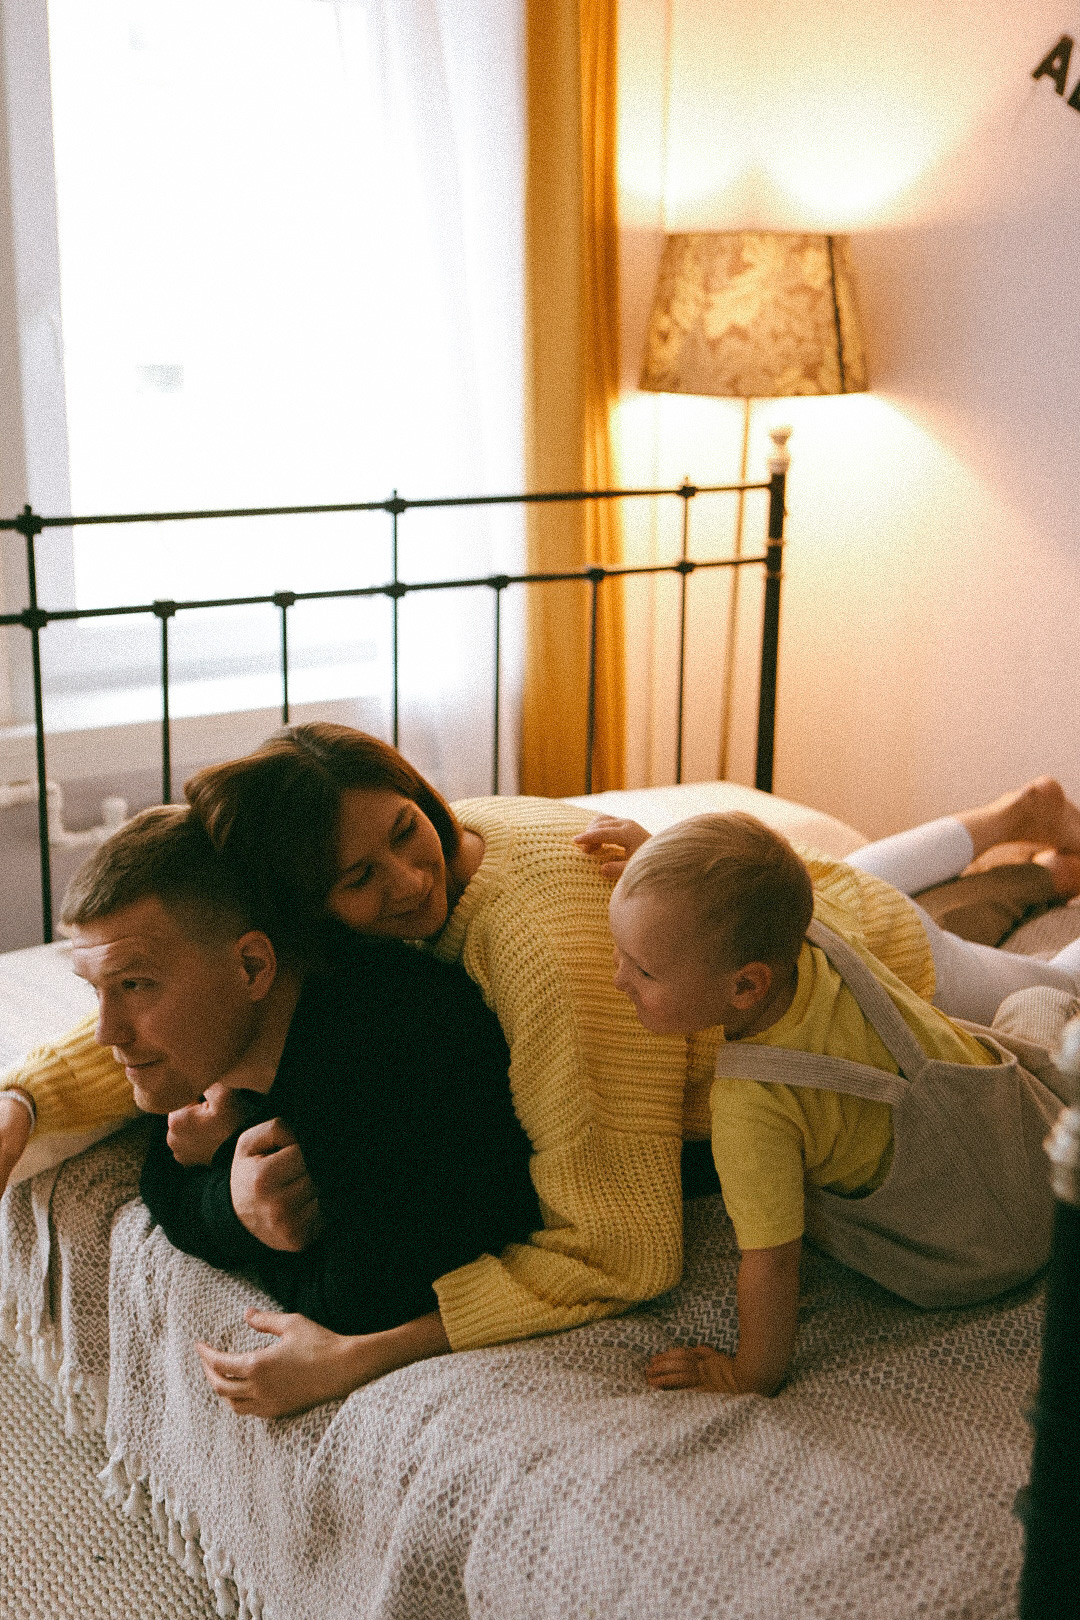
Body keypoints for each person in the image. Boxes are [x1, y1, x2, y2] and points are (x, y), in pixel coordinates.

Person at [2, 731, 1079, 1416]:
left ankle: (1028, 873)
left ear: (422, 794)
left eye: (407, 832)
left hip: (856, 971)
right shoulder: (437, 874)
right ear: (297, 920)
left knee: (1049, 992)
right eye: (359, 878)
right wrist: (32, 1095)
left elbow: (623, 1246)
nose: (412, 877)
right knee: (837, 872)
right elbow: (165, 985)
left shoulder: (545, 956)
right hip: (761, 905)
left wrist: (366, 1351)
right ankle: (1014, 831)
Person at [54, 803, 542, 1409]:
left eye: (134, 984)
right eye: (96, 988)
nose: (105, 1032)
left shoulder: (386, 1054)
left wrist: (232, 1199)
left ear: (252, 965)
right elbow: (164, 1167)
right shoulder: (222, 1048)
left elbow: (352, 1298)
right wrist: (233, 1205)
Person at [600, 811, 1073, 1398]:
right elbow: (745, 901)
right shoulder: (814, 928)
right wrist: (668, 879)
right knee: (1037, 997)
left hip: (972, 1258)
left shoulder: (751, 1105)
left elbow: (772, 1265)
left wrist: (749, 1375)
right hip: (1044, 1152)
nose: (619, 980)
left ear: (747, 986)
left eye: (643, 970)